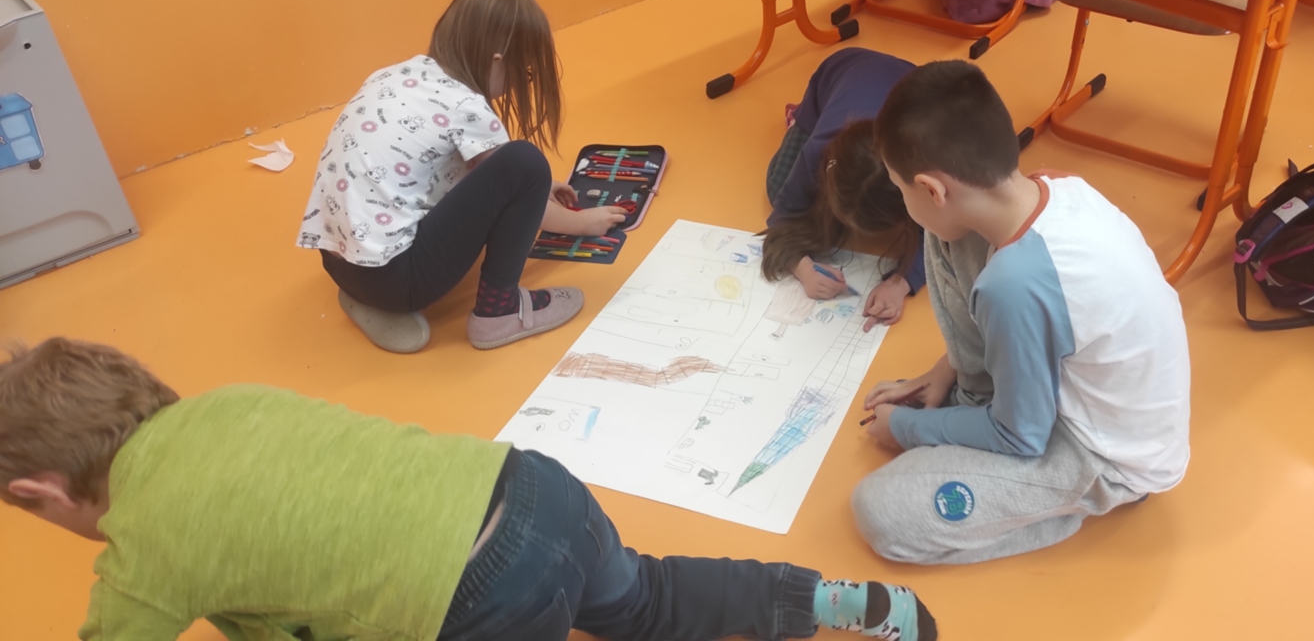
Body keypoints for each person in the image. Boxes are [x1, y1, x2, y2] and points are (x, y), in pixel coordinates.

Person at [0, 337, 938, 641]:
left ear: (43, 492)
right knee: (643, 596)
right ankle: (836, 604)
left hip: (486, 593)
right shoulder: (227, 400)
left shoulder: (144, 553)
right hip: (534, 487)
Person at [851, 60, 1191, 565]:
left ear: (932, 189)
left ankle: (1067, 501)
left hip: (1106, 456)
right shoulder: (1054, 183)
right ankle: (976, 406)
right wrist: (942, 371)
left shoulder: (1012, 285)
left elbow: (1019, 435)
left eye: (902, 190)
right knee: (947, 235)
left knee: (881, 511)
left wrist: (905, 429)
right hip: (1071, 392)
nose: (903, 201)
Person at [296, 0, 623, 353]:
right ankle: (499, 312)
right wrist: (583, 223)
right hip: (399, 284)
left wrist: (535, 192)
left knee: (518, 173)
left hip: (339, 267)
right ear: (497, 62)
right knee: (527, 162)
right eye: (525, 73)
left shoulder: (394, 76)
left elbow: (437, 170)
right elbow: (513, 175)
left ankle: (367, 298)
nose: (520, 83)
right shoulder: (467, 107)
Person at [762, 48, 925, 331]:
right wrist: (802, 268)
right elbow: (781, 219)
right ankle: (800, 118)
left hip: (915, 84)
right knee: (778, 186)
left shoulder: (920, 164)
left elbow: (943, 237)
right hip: (839, 70)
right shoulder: (818, 151)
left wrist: (899, 284)